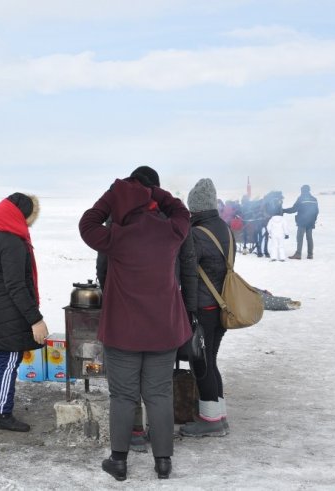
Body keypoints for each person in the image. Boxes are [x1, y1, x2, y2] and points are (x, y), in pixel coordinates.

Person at [80, 178, 192, 481]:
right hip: (163, 330)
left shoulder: (116, 236)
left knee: (123, 396)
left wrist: (111, 196)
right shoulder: (171, 231)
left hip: (123, 333)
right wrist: (155, 192)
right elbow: (181, 210)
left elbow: (87, 222)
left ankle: (118, 461)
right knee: (158, 394)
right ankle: (163, 462)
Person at [0, 192, 48, 433]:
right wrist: (35, 319)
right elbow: (16, 286)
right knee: (9, 362)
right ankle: (2, 413)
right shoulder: (12, 242)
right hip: (8, 311)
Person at [180, 178, 230, 438]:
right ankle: (219, 416)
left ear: (194, 207)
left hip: (203, 308)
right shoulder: (223, 228)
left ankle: (210, 421)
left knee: (201, 364)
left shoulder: (197, 234)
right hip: (221, 306)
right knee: (211, 360)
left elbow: (186, 271)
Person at [283, 184, 319, 259]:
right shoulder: (314, 199)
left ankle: (298, 254)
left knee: (300, 237)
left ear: (302, 190)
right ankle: (310, 254)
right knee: (309, 238)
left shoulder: (301, 199)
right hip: (310, 221)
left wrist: (283, 210)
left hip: (302, 221)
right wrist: (313, 220)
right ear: (309, 190)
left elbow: (293, 209)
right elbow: (316, 211)